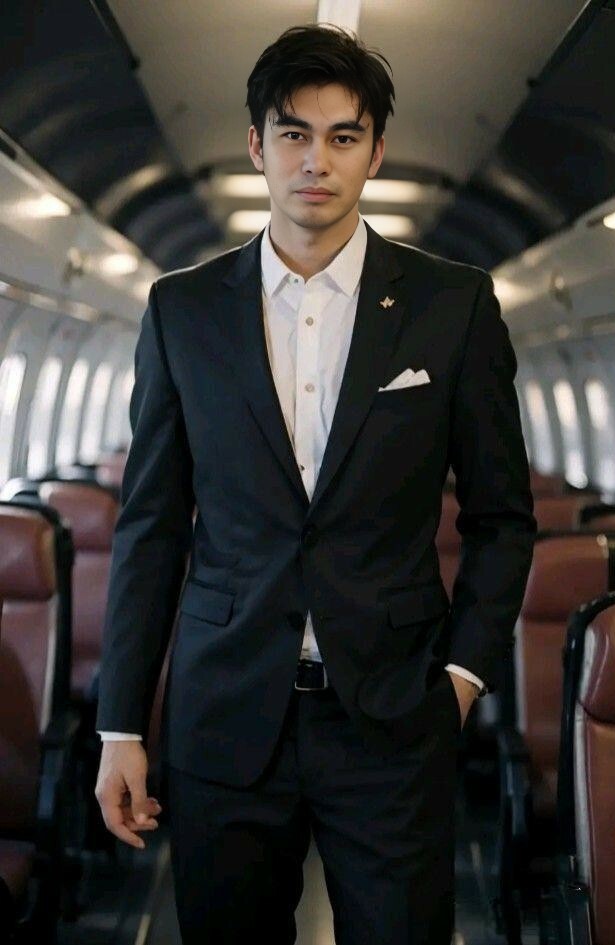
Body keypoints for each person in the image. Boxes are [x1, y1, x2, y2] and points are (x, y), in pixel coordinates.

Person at [95, 23, 536, 945]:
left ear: (375, 151)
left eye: (343, 136)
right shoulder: (181, 310)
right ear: (257, 146)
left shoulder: (451, 304)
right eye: (293, 133)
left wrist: (460, 679)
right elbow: (151, 525)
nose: (316, 160)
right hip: (225, 711)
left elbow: (501, 516)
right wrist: (119, 727)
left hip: (392, 714)